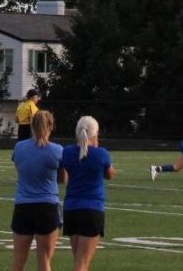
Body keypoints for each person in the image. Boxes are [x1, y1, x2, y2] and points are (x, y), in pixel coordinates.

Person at [60, 116, 116, 271]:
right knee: (82, 263)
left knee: (79, 260)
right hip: (92, 209)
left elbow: (62, 177)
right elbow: (110, 174)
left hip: (71, 209)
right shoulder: (101, 154)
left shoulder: (67, 152)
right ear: (95, 134)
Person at [10, 110, 63, 271]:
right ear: (51, 127)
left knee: (18, 261)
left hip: (23, 206)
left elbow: (20, 167)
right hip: (47, 206)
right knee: (44, 261)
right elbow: (63, 179)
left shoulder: (19, 147)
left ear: (31, 126)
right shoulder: (57, 150)